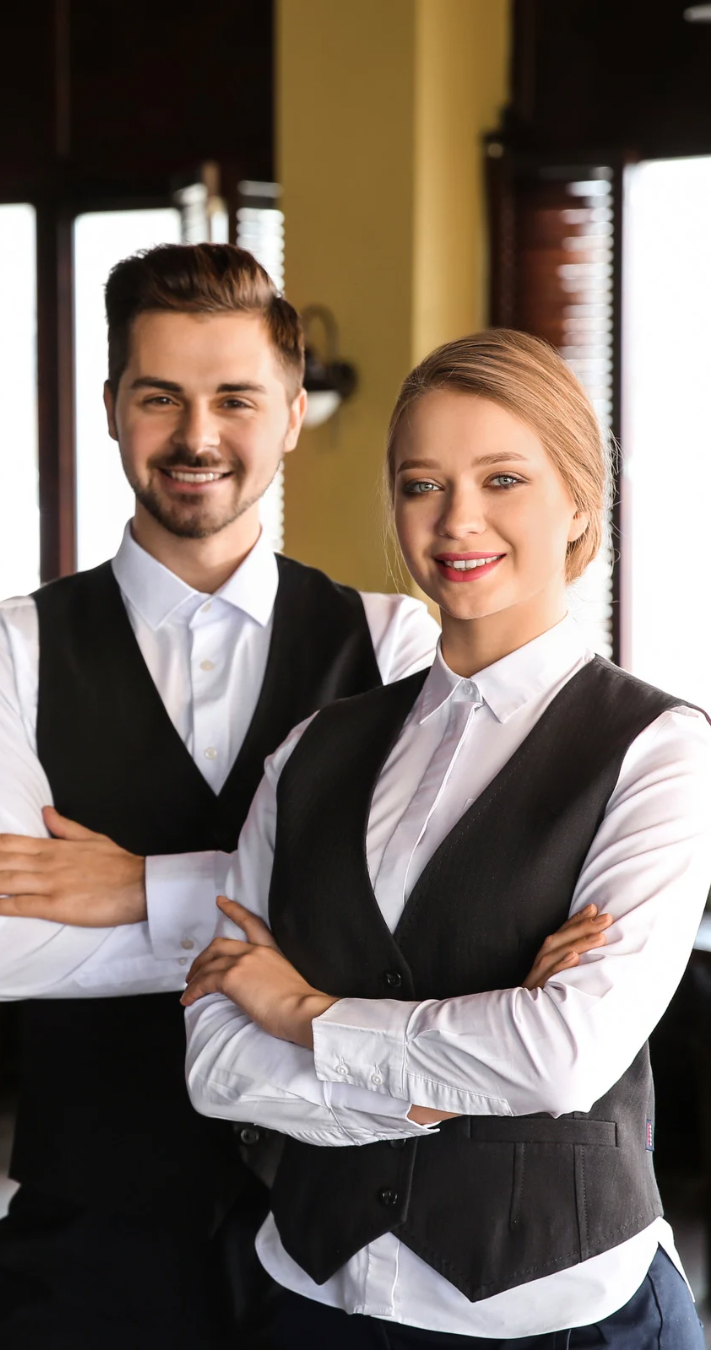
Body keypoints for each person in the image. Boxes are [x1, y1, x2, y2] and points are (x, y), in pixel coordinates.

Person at [0, 241, 448, 1349]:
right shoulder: (3, 650)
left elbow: (420, 934)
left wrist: (135, 890)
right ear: (112, 408)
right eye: (160, 397)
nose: (197, 436)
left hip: (344, 1243)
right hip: (86, 1244)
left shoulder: (395, 642)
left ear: (294, 414)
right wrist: (293, 928)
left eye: (235, 399)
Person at [182, 328, 711, 1348]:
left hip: (559, 1313)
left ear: (579, 502)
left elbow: (562, 1056)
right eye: (423, 484)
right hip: (310, 1297)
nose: (458, 518)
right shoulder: (311, 752)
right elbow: (214, 1057)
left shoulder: (659, 749)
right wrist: (444, 1088)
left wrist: (303, 1011)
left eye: (502, 477)